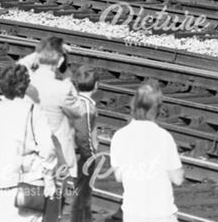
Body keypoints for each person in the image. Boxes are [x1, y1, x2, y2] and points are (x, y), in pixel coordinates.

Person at [0, 64, 59, 222]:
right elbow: (48, 148)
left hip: (2, 179)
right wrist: (49, 178)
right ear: (24, 86)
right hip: (28, 181)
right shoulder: (33, 111)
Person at [20, 38, 80, 222]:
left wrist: (39, 54)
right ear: (60, 61)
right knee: (53, 210)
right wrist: (67, 76)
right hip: (57, 155)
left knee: (28, 211)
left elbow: (19, 65)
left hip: (30, 153)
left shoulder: (25, 81)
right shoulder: (63, 88)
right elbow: (79, 113)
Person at [109, 80, 183, 222]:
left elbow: (119, 176)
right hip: (161, 212)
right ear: (157, 109)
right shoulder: (164, 137)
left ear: (134, 105)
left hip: (133, 212)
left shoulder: (120, 136)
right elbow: (177, 179)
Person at [70, 65, 99, 222]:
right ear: (96, 85)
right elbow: (83, 134)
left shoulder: (74, 101)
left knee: (80, 191)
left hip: (72, 152)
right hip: (81, 155)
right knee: (82, 193)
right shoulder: (86, 106)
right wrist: (90, 156)